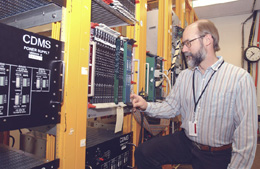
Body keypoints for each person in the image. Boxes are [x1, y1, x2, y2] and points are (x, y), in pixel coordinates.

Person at [130, 19, 258, 169]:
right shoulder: (185, 76)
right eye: (183, 44)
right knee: (143, 153)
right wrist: (146, 106)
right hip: (188, 142)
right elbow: (171, 107)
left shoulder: (239, 78)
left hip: (217, 153)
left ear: (207, 40)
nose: (184, 49)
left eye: (188, 43)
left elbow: (246, 137)